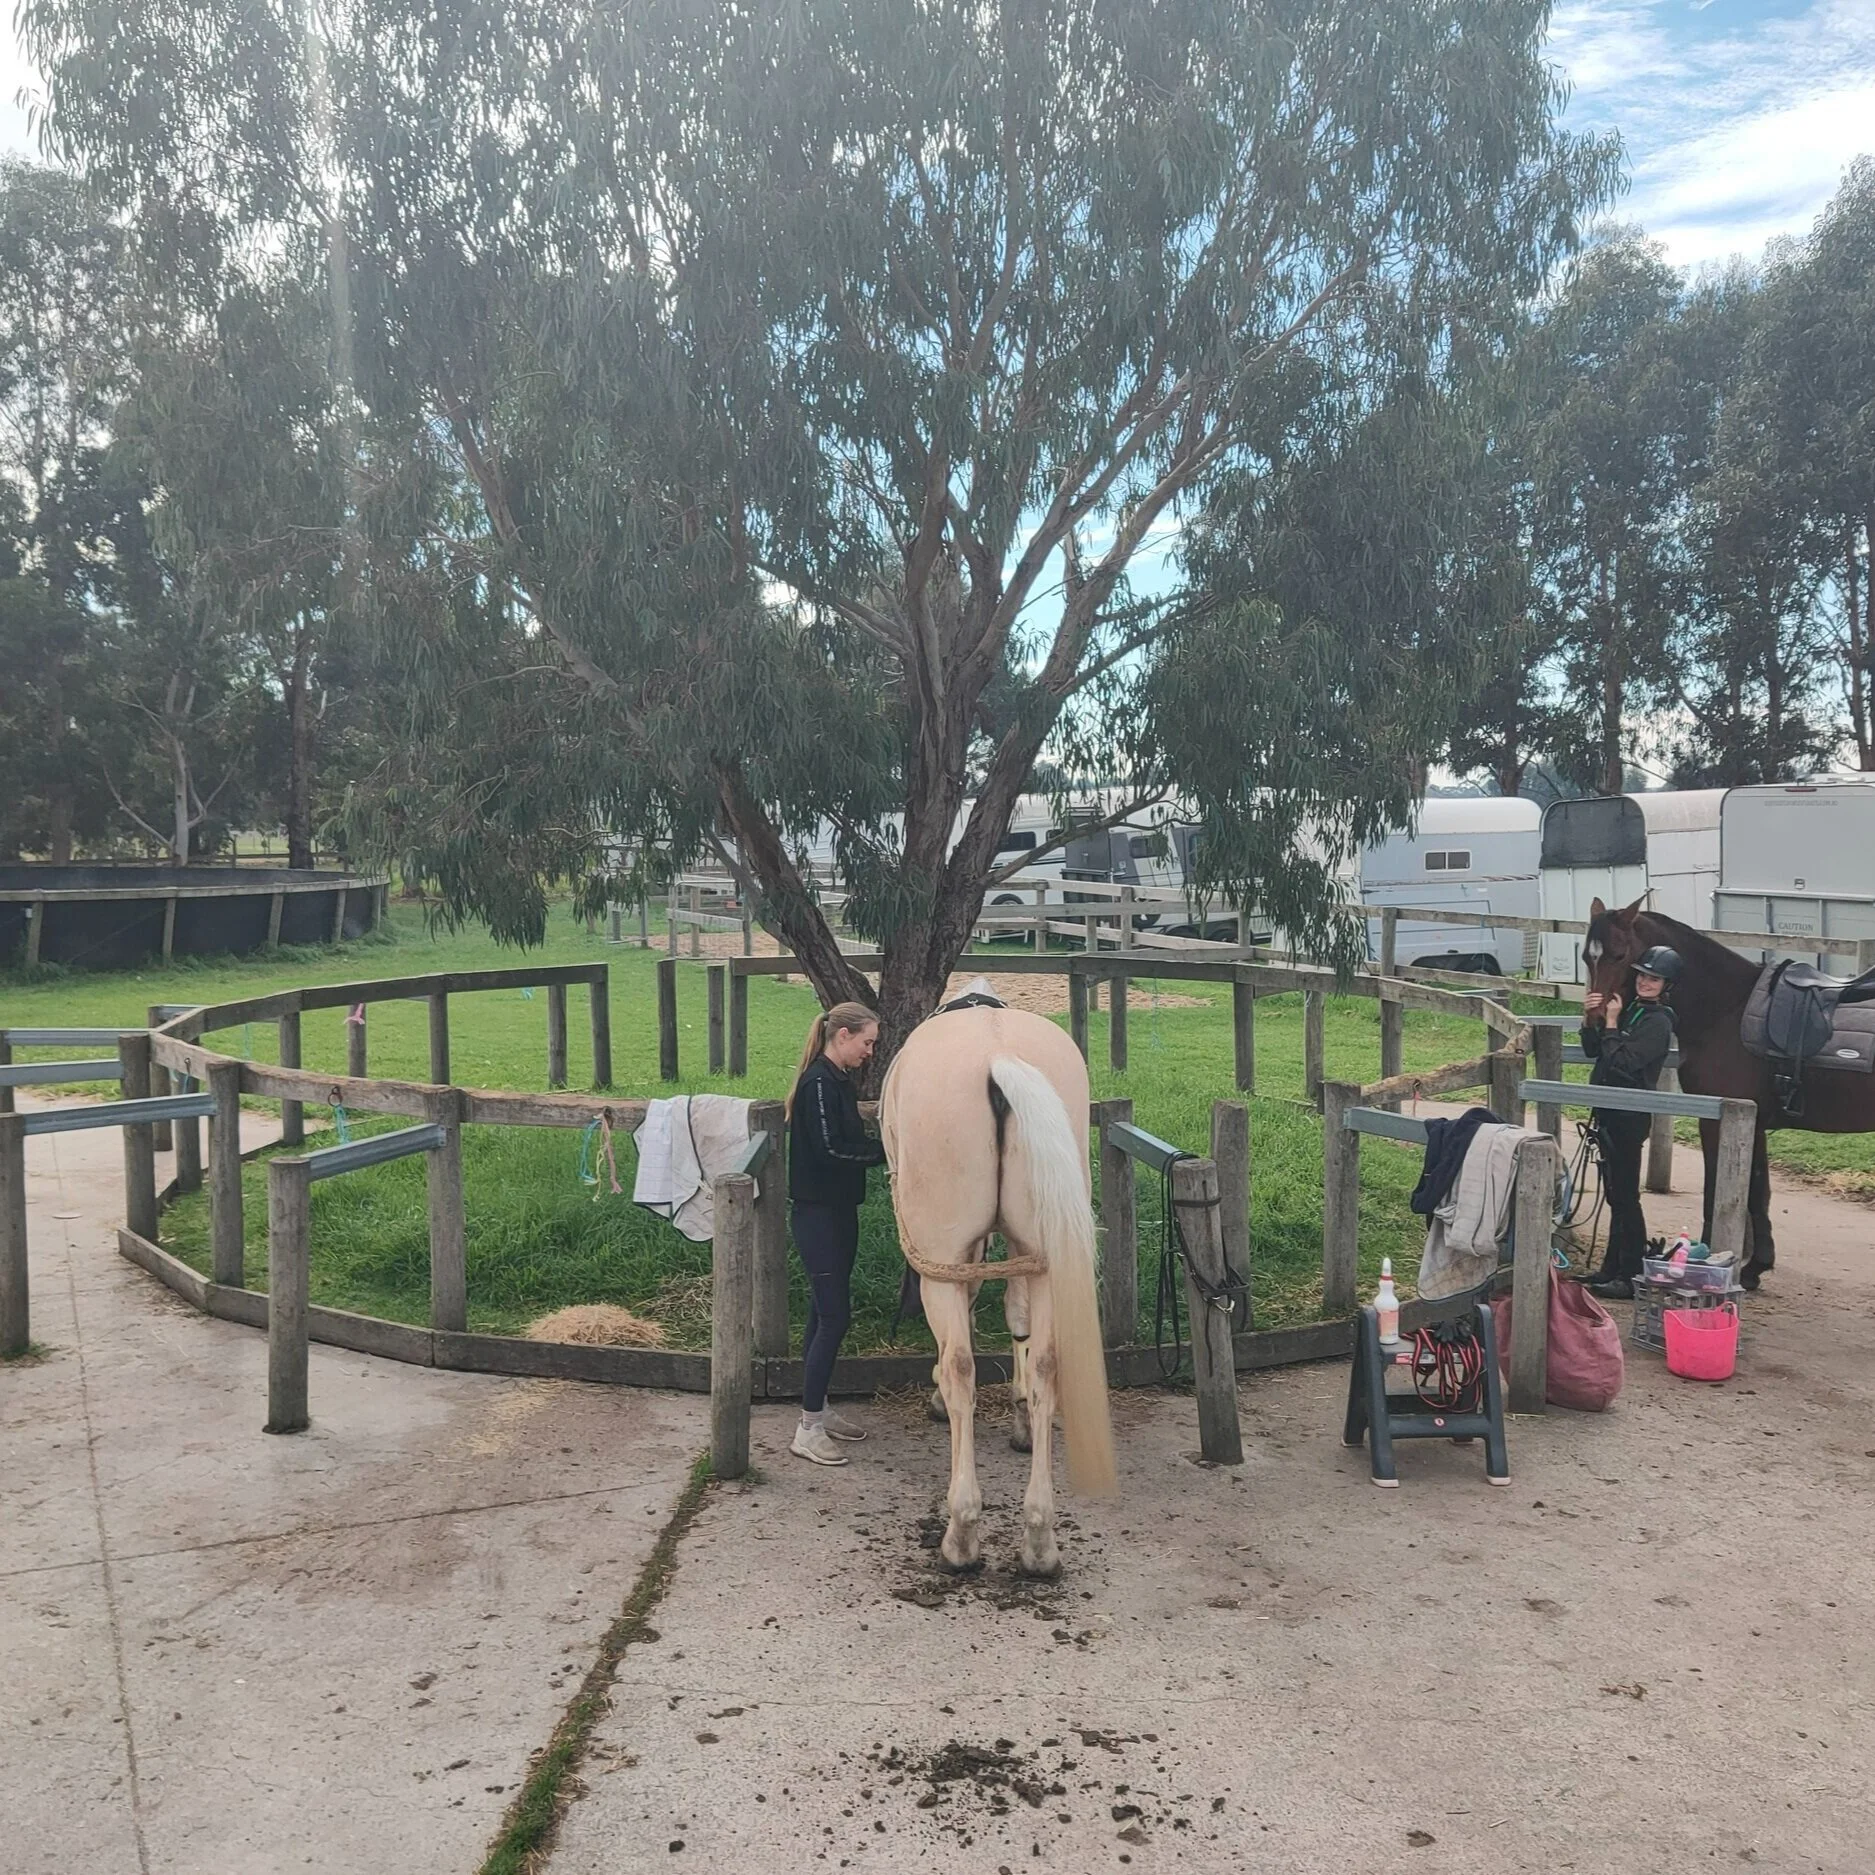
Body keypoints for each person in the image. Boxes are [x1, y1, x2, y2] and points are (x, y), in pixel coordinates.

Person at [786, 1001, 886, 1466]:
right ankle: (807, 1428)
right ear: (842, 1036)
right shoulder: (819, 1085)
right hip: (818, 1213)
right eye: (866, 1042)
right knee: (834, 1317)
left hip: (839, 1211)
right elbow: (829, 1150)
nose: (870, 1051)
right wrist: (887, 1154)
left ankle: (818, 1411)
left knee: (821, 1312)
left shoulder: (839, 1082)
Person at [1581, 945, 1681, 1299]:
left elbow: (1623, 1064)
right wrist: (1591, 1018)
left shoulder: (1658, 1022)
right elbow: (1596, 1051)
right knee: (1616, 1194)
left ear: (1666, 984)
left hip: (1629, 1113)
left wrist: (1610, 1024)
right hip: (1610, 1110)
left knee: (1625, 1196)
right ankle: (1613, 1267)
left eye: (1653, 978)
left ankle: (1631, 1272)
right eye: (1642, 975)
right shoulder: (1631, 1010)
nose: (1645, 982)